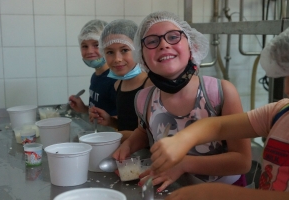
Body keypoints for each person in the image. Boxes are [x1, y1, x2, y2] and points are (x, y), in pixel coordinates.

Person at [112, 11, 251, 192]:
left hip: (222, 192)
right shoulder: (144, 99)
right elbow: (145, 130)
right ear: (143, 58)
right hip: (172, 189)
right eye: (152, 41)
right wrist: (129, 145)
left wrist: (184, 164)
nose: (164, 44)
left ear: (192, 46)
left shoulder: (219, 92)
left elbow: (242, 161)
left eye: (173, 37)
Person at [151, 27, 289, 200]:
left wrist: (220, 194)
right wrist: (182, 139)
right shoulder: (280, 113)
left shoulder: (219, 90)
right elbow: (219, 126)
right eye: (287, 76)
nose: (287, 88)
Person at [89, 19, 153, 142]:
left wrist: (112, 137)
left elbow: (148, 134)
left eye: (124, 50)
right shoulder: (118, 84)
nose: (117, 59)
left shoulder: (149, 85)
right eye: (110, 52)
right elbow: (127, 125)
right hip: (127, 155)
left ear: (138, 49)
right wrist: (110, 121)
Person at [69, 19, 117, 117]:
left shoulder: (115, 80)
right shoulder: (95, 76)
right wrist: (84, 109)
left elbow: (119, 122)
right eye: (84, 46)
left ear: (108, 46)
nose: (90, 51)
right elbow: (99, 114)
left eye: (96, 45)